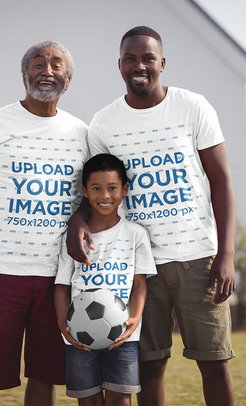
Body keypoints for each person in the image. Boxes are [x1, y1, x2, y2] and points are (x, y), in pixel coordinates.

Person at [66, 26, 236, 406]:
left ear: (162, 63)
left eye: (147, 58)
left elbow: (222, 181)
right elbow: (97, 188)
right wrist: (78, 219)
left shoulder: (192, 107)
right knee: (149, 366)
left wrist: (226, 255)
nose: (139, 65)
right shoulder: (104, 123)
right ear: (120, 65)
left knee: (214, 362)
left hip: (199, 259)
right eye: (130, 58)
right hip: (141, 266)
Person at [0, 41, 89, 406]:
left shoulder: (81, 133)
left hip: (57, 277)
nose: (47, 70)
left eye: (56, 65)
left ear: (68, 79)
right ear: (24, 73)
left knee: (45, 377)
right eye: (38, 63)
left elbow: (89, 201)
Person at [55, 153, 157, 406]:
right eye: (96, 189)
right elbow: (61, 286)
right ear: (85, 192)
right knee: (87, 399)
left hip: (123, 336)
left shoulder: (136, 235)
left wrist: (134, 320)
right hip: (79, 335)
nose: (105, 196)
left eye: (112, 188)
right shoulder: (73, 239)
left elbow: (139, 283)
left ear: (124, 190)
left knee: (121, 398)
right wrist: (62, 325)